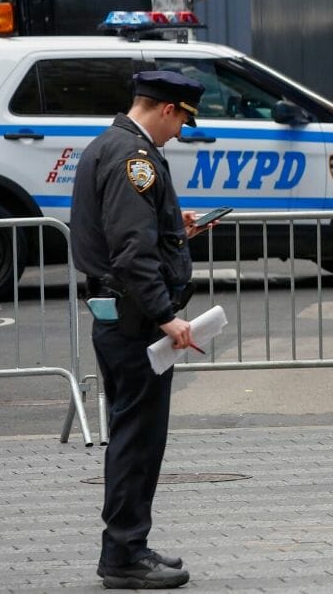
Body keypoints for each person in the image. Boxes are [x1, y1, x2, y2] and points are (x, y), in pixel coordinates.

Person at [71, 70, 212, 589]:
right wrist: (166, 316)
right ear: (168, 109)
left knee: (135, 436)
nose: (180, 133)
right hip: (135, 324)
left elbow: (131, 233)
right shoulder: (135, 159)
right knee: (137, 439)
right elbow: (131, 251)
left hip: (121, 317)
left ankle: (131, 544)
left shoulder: (110, 146)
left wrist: (178, 228)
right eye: (182, 122)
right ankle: (125, 556)